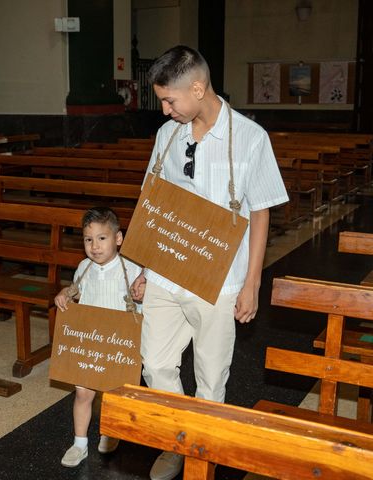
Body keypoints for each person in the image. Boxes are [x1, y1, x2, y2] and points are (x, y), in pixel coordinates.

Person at [130, 45, 288, 480]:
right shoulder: (168, 136)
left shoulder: (250, 137)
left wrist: (252, 282)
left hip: (220, 278)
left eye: (170, 100)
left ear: (198, 88)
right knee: (156, 363)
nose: (164, 111)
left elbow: (261, 211)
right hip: (165, 270)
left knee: (210, 375)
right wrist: (143, 265)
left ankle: (200, 448)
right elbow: (153, 201)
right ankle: (180, 438)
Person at [54, 207, 142, 468]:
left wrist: (142, 298)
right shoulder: (84, 267)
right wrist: (64, 294)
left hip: (118, 344)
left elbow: (142, 303)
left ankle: (110, 432)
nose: (94, 246)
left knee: (114, 394)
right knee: (83, 393)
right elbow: (76, 291)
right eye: (88, 239)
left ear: (118, 238)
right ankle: (79, 443)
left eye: (102, 238)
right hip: (90, 343)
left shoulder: (131, 268)